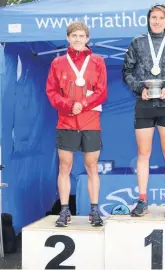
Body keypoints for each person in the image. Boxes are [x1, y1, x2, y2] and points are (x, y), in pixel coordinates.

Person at [123, 4, 165, 217]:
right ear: (148, 19)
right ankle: (142, 200)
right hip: (143, 104)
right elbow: (126, 71)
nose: (157, 21)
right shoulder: (137, 42)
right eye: (154, 17)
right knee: (143, 154)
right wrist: (139, 88)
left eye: (161, 18)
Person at [46, 21, 108, 227]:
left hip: (90, 121)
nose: (78, 39)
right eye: (74, 36)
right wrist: (69, 105)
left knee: (92, 166)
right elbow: (51, 92)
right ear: (68, 39)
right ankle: (64, 211)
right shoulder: (57, 63)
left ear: (87, 39)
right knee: (65, 166)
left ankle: (94, 210)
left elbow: (102, 91)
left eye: (81, 36)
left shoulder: (97, 61)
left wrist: (83, 104)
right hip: (66, 121)